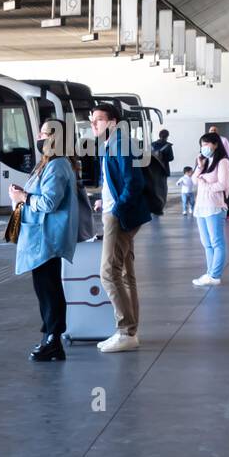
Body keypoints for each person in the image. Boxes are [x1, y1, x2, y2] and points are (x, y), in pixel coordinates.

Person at [8, 121, 79, 362]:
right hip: (41, 238)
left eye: (44, 132)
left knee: (49, 290)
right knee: (45, 289)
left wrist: (23, 197)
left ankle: (53, 339)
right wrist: (21, 195)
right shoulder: (47, 163)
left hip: (46, 239)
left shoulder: (57, 164)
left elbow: (49, 203)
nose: (39, 136)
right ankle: (50, 336)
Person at [91, 104, 151, 352]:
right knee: (125, 273)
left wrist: (116, 208)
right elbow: (114, 179)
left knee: (108, 272)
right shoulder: (114, 142)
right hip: (116, 210)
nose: (94, 124)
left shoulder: (119, 143)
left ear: (113, 122)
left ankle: (125, 330)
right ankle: (130, 331)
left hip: (118, 216)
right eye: (92, 120)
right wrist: (104, 198)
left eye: (99, 120)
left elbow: (134, 182)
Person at [191, 133, 229, 287]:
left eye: (207, 144)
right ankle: (210, 273)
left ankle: (215, 275)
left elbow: (222, 185)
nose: (204, 148)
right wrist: (200, 168)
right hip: (201, 207)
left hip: (215, 207)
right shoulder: (205, 161)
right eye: (202, 144)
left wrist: (205, 185)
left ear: (216, 144)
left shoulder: (223, 162)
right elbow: (194, 180)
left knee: (217, 242)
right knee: (206, 243)